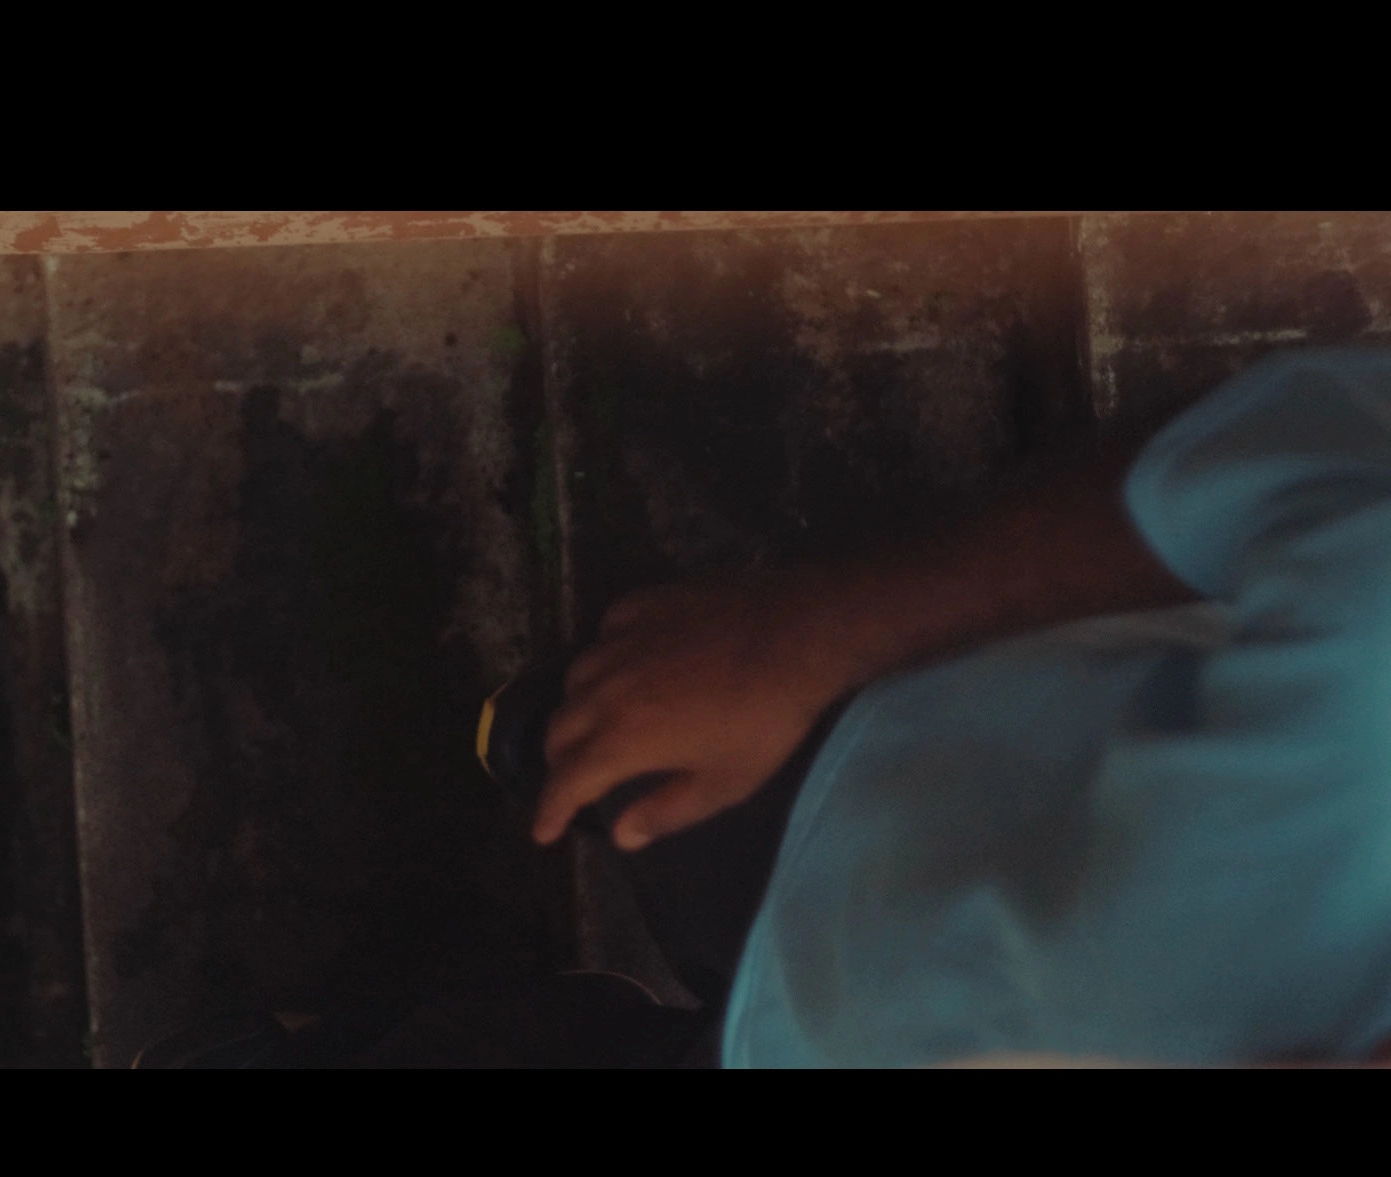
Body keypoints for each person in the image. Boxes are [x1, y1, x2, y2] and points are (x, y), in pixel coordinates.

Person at [140, 347, 1391, 1068]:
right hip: (877, 795)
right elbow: (1299, 465)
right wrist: (808, 635)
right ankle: (539, 741)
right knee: (589, 739)